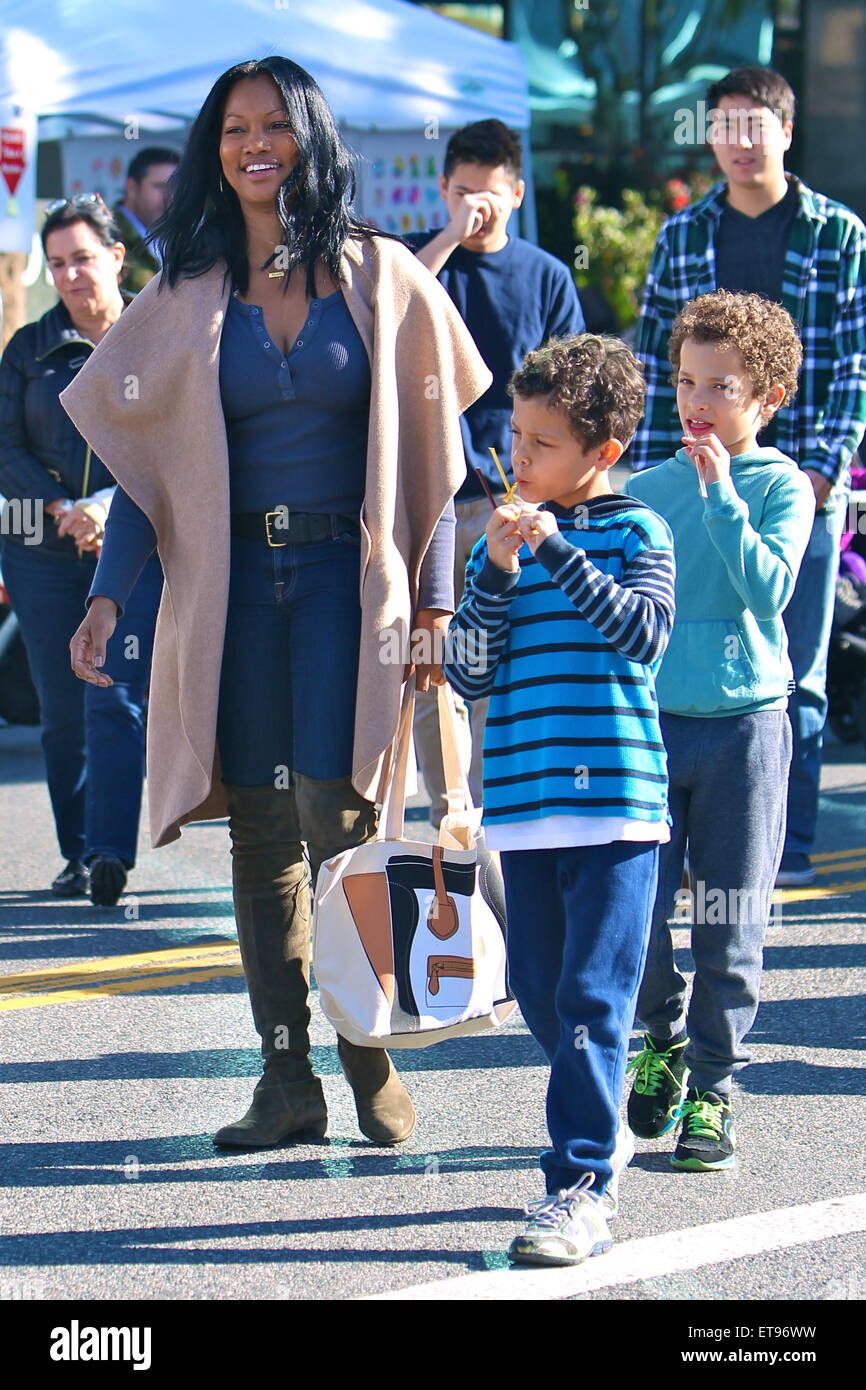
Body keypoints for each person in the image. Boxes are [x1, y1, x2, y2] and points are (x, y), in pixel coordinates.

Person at [62, 58, 491, 1150]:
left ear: (309, 134)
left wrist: (435, 607)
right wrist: (109, 598)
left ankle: (368, 1058)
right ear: (216, 148)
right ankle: (285, 1078)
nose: (254, 144)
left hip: (351, 591)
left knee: (339, 818)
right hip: (233, 592)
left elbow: (437, 467)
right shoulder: (182, 289)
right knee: (259, 828)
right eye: (233, 129)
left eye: (274, 126)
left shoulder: (382, 275)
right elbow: (140, 470)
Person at [445, 335, 675, 1266]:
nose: (519, 459)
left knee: (590, 996)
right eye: (516, 437)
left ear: (603, 454)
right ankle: (603, 1117)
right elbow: (462, 669)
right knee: (539, 990)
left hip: (619, 808)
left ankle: (577, 1186)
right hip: (525, 809)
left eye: (542, 444)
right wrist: (497, 572)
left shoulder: (634, 532)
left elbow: (644, 635)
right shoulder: (501, 543)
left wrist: (557, 555)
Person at [632, 66, 866, 887]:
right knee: (686, 660)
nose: (734, 143)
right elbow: (648, 363)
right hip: (692, 477)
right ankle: (696, 848)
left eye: (751, 126)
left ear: (785, 133)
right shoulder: (684, 234)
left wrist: (819, 475)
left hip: (799, 480)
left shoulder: (840, 236)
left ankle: (784, 846)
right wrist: (650, 471)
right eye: (720, 127)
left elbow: (855, 370)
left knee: (795, 672)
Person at [625, 291, 813, 1169]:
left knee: (732, 922)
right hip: (652, 728)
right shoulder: (645, 489)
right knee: (638, 914)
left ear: (767, 397)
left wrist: (721, 494)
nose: (696, 402)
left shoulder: (782, 487)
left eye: (721, 386)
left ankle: (713, 1090)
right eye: (685, 382)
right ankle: (660, 1038)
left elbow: (766, 590)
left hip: (747, 733)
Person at [405, 119, 584, 825]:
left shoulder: (545, 274)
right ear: (443, 190)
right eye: (459, 192)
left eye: (488, 194)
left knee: (498, 659)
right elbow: (388, 311)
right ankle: (452, 814)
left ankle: (494, 810)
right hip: (429, 493)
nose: (475, 206)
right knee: (431, 662)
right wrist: (449, 234)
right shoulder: (423, 264)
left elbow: (576, 386)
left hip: (512, 495)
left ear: (516, 192)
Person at [0, 196, 163, 906]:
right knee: (63, 703)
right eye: (58, 262)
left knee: (118, 693)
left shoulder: (155, 332)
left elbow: (172, 436)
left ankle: (108, 850)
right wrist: (64, 507)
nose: (70, 274)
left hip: (128, 542)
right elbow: (4, 446)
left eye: (83, 258)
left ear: (117, 257)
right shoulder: (27, 350)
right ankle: (79, 852)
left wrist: (107, 508)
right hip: (39, 545)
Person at [112, 147, 180, 292]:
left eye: (175, 187)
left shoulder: (179, 237)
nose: (170, 196)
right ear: (131, 188)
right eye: (161, 186)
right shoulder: (106, 235)